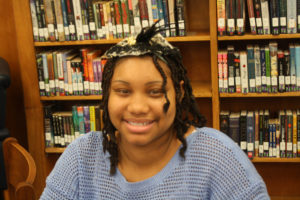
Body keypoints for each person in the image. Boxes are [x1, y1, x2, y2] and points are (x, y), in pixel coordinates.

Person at [40, 23, 270, 200]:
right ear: (107, 94)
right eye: (123, 91)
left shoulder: (219, 158)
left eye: (155, 92)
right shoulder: (81, 157)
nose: (138, 107)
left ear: (178, 94)